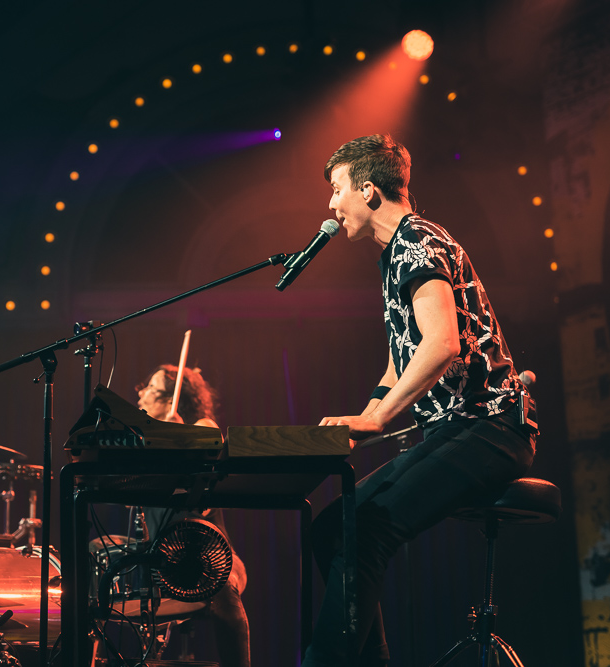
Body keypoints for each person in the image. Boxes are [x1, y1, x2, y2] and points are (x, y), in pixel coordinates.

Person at [302, 134, 538, 667]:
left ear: (368, 190)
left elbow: (442, 343)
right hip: (462, 430)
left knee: (365, 530)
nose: (332, 205)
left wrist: (378, 419)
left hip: (490, 429)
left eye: (337, 189)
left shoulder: (416, 240)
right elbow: (401, 363)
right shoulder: (397, 254)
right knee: (333, 529)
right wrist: (366, 417)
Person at [135, 364, 251, 667]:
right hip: (159, 557)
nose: (142, 393)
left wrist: (180, 435)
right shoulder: (144, 443)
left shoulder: (200, 425)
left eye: (151, 388)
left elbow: (210, 442)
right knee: (97, 552)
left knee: (222, 584)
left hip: (208, 553)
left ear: (174, 399)